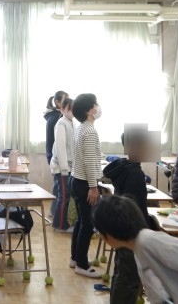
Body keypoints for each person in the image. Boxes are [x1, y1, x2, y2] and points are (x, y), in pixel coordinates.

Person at [102, 130, 152, 304]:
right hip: (131, 230)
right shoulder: (135, 173)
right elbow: (136, 206)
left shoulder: (125, 168)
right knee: (129, 278)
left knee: (122, 273)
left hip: (122, 227)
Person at [70, 93, 103, 278]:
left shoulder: (80, 128)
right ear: (89, 110)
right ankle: (82, 265)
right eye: (95, 104)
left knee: (81, 222)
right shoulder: (89, 131)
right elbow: (89, 162)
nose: (98, 107)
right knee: (88, 225)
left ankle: (75, 258)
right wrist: (93, 187)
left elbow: (88, 156)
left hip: (77, 180)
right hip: (85, 184)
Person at [50, 97, 74, 233]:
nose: (72, 112)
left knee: (66, 196)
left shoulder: (71, 122)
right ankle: (60, 225)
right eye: (69, 109)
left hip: (68, 167)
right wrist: (64, 169)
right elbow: (60, 148)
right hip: (62, 168)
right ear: (62, 109)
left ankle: (62, 223)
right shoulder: (61, 123)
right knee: (64, 196)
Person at [45, 90, 68, 216]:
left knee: (57, 185)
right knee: (60, 187)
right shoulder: (57, 118)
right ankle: (55, 213)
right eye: (65, 99)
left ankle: (53, 211)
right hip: (56, 156)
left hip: (53, 155)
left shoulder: (54, 116)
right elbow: (59, 142)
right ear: (57, 102)